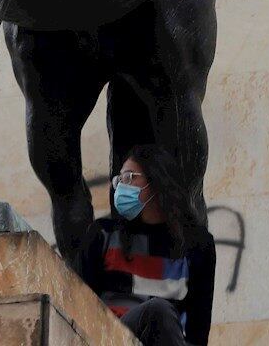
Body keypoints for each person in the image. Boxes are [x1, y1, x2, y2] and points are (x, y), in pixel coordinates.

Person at [76, 145, 215, 346]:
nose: (120, 187)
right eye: (119, 180)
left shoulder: (197, 245)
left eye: (129, 177)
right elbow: (78, 302)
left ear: (156, 181)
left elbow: (198, 331)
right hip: (110, 338)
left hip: (169, 339)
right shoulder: (103, 234)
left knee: (160, 313)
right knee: (157, 310)